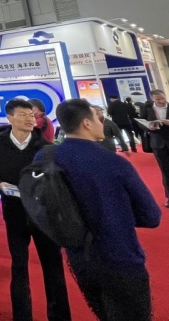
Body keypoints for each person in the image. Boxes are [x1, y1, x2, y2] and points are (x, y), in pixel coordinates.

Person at [47, 99, 161, 321]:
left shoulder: (47, 157)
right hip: (119, 255)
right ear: (87, 123)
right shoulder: (113, 162)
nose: (102, 122)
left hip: (78, 256)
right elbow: (151, 216)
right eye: (98, 118)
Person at [0, 100, 70, 321]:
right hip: (14, 213)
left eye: (31, 115)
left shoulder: (45, 147)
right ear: (10, 118)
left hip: (44, 215)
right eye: (23, 115)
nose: (29, 119)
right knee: (19, 266)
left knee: (53, 267)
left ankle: (59, 316)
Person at [140, 89, 169, 207]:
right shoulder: (147, 109)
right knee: (166, 171)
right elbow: (141, 122)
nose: (161, 101)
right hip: (158, 143)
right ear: (152, 99)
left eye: (163, 98)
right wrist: (148, 127)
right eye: (158, 99)